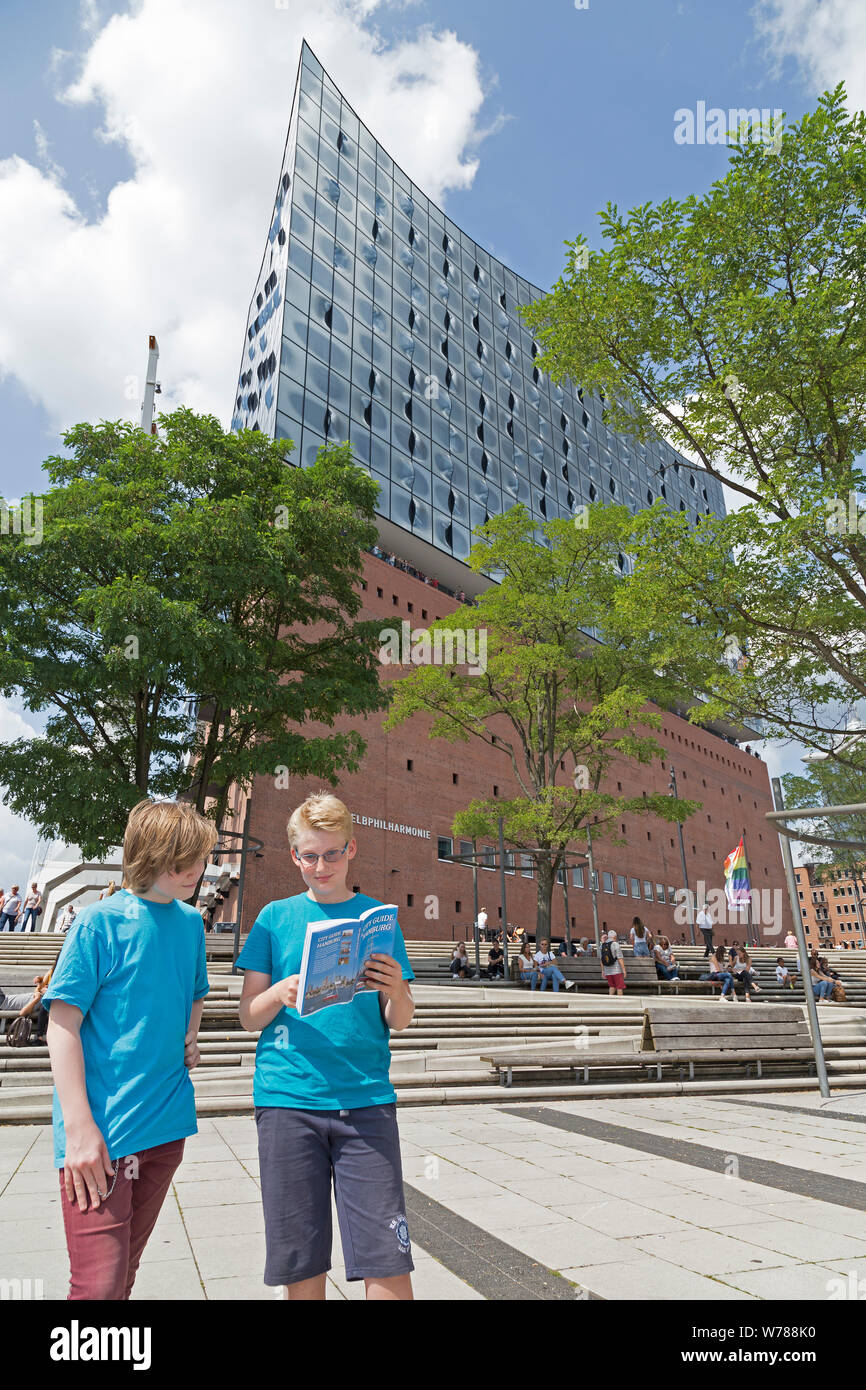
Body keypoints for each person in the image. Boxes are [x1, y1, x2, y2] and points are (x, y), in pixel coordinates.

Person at [235, 791, 416, 1301]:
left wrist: (395, 987)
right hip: (288, 1100)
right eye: (310, 855)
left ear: (351, 850)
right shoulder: (274, 917)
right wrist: (278, 991)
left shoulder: (379, 920)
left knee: (387, 1258)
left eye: (332, 853)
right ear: (294, 856)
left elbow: (400, 1022)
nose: (322, 866)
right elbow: (248, 1017)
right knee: (302, 1260)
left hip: (366, 1101)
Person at [42, 798, 217, 1300]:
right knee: (96, 1288)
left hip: (166, 1127)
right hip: (101, 1135)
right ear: (150, 853)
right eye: (183, 860)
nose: (196, 871)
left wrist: (191, 1031)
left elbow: (197, 989)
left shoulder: (190, 924)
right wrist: (78, 1131)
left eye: (200, 858)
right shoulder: (98, 923)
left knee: (122, 1279)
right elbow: (62, 1025)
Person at [600, 930, 626, 996]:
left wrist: (603, 971)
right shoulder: (615, 944)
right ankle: (620, 1003)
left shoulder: (602, 945)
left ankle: (610, 1002)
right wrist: (624, 970)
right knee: (619, 987)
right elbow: (620, 958)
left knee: (612, 986)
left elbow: (602, 960)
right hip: (616, 970)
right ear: (614, 936)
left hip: (607, 970)